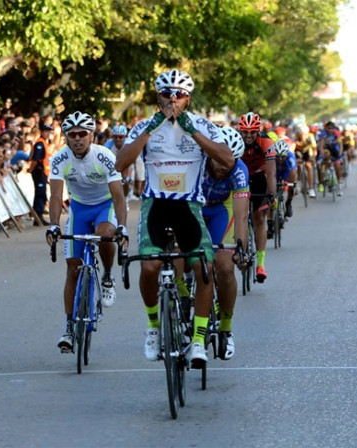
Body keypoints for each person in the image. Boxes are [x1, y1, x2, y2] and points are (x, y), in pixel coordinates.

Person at [115, 69, 234, 368]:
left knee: (203, 266)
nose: (172, 99)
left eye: (178, 94)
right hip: (156, 204)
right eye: (166, 94)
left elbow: (227, 159)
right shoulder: (145, 125)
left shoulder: (202, 125)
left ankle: (197, 339)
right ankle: (154, 327)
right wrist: (150, 130)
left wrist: (191, 131)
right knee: (151, 265)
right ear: (158, 97)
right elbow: (120, 163)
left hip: (189, 206)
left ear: (188, 99)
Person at [45, 111, 128, 353]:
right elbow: (56, 196)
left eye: (83, 134)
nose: (78, 138)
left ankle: (108, 275)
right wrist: (54, 225)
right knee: (72, 268)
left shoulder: (105, 156)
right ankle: (69, 327)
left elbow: (118, 196)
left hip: (105, 205)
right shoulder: (60, 159)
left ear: (92, 135)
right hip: (79, 209)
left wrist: (121, 226)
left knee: (105, 234)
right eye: (73, 135)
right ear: (66, 137)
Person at [199, 126, 249, 359]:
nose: (223, 166)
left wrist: (241, 249)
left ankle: (226, 328)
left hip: (222, 210)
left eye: (228, 161)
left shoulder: (239, 171)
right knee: (181, 256)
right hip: (195, 209)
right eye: (218, 160)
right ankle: (182, 299)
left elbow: (240, 215)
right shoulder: (196, 163)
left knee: (225, 266)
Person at [238, 112, 276, 282]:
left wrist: (272, 195)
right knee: (241, 216)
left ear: (258, 130)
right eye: (245, 132)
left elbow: (271, 172)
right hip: (241, 178)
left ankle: (261, 265)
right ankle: (242, 252)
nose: (248, 135)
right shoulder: (234, 141)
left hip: (260, 177)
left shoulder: (266, 142)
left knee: (259, 218)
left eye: (252, 132)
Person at [28, 122, 53, 225]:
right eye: (46, 131)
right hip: (39, 172)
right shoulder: (40, 143)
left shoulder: (44, 142)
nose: (48, 133)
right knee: (40, 194)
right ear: (41, 132)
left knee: (41, 194)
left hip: (43, 172)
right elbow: (36, 159)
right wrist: (31, 169)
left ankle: (39, 216)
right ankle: (38, 216)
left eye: (49, 131)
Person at [272, 139, 297, 219]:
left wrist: (292, 184)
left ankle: (288, 203)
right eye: (277, 156)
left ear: (286, 154)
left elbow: (293, 173)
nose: (280, 159)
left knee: (292, 186)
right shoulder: (271, 156)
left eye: (282, 156)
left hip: (286, 170)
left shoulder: (291, 157)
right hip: (275, 171)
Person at [317, 121, 343, 196]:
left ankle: (339, 183)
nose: (330, 130)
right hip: (326, 148)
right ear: (326, 128)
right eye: (329, 128)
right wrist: (322, 154)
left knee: (337, 165)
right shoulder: (323, 134)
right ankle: (326, 171)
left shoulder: (336, 133)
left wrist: (340, 154)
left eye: (332, 128)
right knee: (326, 155)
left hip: (335, 148)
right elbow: (321, 146)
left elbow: (340, 145)